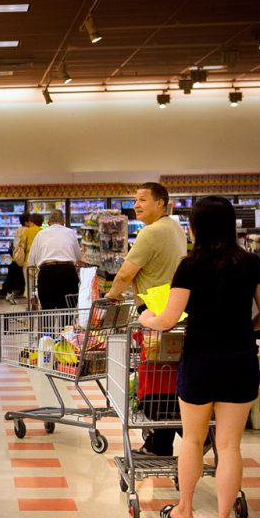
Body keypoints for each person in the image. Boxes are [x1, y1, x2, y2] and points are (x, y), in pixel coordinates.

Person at [140, 196, 260, 518]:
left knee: (194, 440)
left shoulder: (190, 266)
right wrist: (245, 328)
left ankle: (184, 510)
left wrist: (147, 318)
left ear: (196, 228)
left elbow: (168, 320)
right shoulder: (251, 264)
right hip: (240, 360)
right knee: (229, 446)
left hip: (200, 360)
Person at [105, 182, 187, 455]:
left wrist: (112, 297)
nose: (136, 205)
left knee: (154, 379)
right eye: (135, 200)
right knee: (165, 376)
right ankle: (158, 443)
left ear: (160, 203)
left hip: (154, 313)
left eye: (142, 200)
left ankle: (181, 434)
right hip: (175, 310)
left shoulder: (150, 233)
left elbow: (126, 274)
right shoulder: (175, 228)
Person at [26, 209, 83, 310]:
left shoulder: (40, 235)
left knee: (48, 311)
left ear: (48, 222)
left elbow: (31, 260)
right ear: (63, 221)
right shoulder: (70, 233)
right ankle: (65, 326)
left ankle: (48, 325)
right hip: (68, 273)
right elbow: (78, 257)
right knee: (67, 310)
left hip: (47, 274)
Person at [2, 214, 32, 304]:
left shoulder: (18, 230)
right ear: (26, 222)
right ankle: (12, 295)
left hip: (17, 257)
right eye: (30, 221)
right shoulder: (28, 230)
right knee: (22, 279)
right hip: (24, 258)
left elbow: (15, 244)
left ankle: (10, 294)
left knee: (15, 277)